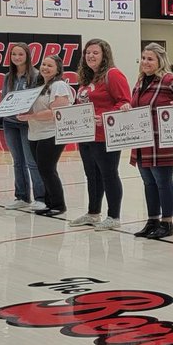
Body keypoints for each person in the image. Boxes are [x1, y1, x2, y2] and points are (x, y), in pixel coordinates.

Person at [71, 39, 131, 229]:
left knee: (108, 174)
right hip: (86, 135)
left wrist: (104, 117)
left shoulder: (113, 75)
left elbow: (124, 102)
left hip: (104, 136)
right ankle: (93, 213)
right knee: (92, 176)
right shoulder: (88, 77)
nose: (90, 56)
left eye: (95, 52)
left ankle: (114, 216)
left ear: (105, 54)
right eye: (88, 52)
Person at [123, 43, 173, 240]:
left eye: (150, 59)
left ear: (160, 61)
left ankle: (167, 222)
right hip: (142, 141)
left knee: (163, 181)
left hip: (161, 141)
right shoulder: (140, 82)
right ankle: (152, 220)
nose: (145, 62)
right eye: (143, 58)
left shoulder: (169, 80)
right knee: (148, 182)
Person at [17, 55, 73, 217]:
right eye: (43, 64)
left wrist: (31, 116)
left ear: (58, 69)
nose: (45, 68)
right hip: (35, 133)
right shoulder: (39, 85)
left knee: (47, 169)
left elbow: (57, 112)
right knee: (43, 170)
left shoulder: (59, 85)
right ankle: (49, 203)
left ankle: (58, 205)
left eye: (50, 65)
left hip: (51, 134)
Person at [1, 43, 45, 211]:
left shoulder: (35, 76)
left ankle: (40, 197)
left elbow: (38, 99)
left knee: (31, 161)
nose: (17, 57)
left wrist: (28, 113)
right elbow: (6, 98)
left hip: (28, 124)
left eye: (20, 54)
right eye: (14, 54)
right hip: (10, 123)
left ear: (27, 56)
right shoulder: (8, 77)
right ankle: (22, 196)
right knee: (17, 161)